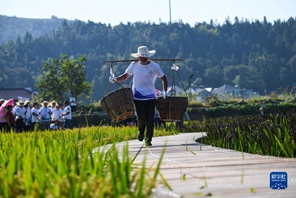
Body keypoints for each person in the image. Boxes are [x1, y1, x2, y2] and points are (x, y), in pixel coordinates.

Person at [109, 46, 168, 146]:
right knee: (141, 119)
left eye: (145, 57)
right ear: (138, 57)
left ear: (148, 56)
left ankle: (148, 139)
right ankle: (141, 131)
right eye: (141, 57)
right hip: (138, 97)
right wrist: (115, 79)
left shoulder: (154, 66)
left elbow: (164, 78)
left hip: (151, 97)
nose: (143, 59)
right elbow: (125, 76)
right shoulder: (134, 65)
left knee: (150, 120)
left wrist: (165, 91)